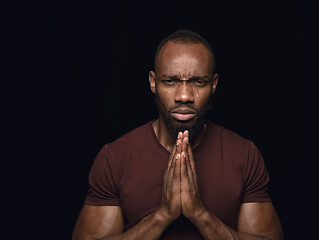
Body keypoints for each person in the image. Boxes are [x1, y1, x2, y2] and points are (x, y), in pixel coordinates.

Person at [72, 29, 283, 240]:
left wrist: (200, 214)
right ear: (153, 82)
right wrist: (162, 216)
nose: (184, 96)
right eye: (171, 81)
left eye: (198, 82)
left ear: (214, 84)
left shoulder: (244, 155)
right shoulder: (114, 158)